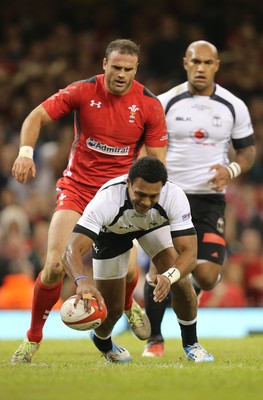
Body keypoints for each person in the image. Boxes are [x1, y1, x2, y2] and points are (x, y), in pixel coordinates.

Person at [10, 39, 168, 364]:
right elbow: (35, 117)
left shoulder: (150, 106)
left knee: (124, 273)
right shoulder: (82, 91)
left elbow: (158, 163)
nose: (121, 74)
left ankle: (126, 305)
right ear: (104, 65)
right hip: (77, 190)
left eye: (128, 69)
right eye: (116, 68)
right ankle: (32, 339)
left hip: (119, 198)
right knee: (54, 267)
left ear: (136, 70)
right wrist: (25, 153)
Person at [142, 40, 256, 357]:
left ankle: (185, 294)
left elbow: (247, 151)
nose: (201, 68)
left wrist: (231, 169)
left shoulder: (233, 105)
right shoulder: (165, 102)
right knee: (160, 268)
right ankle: (155, 340)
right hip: (169, 198)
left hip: (210, 200)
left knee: (205, 276)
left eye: (207, 63)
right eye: (195, 62)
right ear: (185, 64)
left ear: (217, 65)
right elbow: (146, 145)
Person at [62, 156, 213, 363]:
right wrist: (82, 281)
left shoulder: (174, 196)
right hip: (112, 234)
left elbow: (190, 253)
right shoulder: (106, 200)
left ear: (163, 189)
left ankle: (191, 344)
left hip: (152, 226)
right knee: (112, 311)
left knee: (182, 282)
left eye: (153, 196)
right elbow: (71, 250)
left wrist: (169, 277)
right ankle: (103, 343)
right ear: (128, 183)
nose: (146, 202)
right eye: (140, 194)